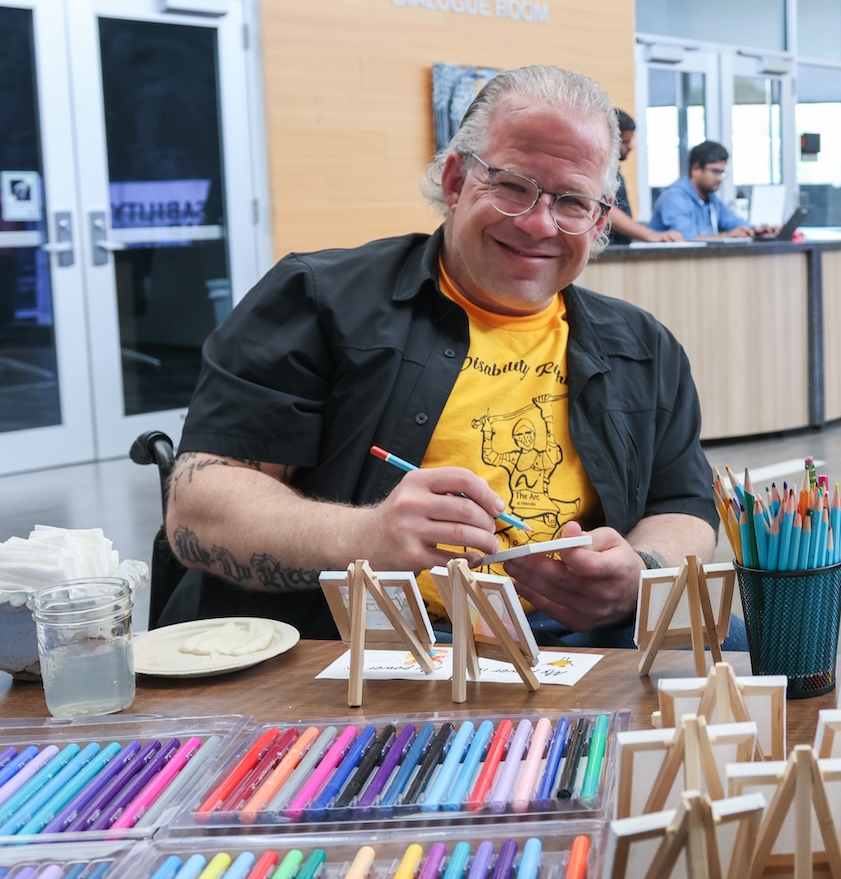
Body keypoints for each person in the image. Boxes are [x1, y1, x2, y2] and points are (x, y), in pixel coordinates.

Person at [163, 65, 720, 647]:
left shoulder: (643, 347)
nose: (538, 224)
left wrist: (641, 572)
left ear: (601, 220)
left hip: (575, 643)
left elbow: (683, 505)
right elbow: (199, 509)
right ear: (455, 181)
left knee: (745, 657)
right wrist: (367, 538)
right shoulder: (318, 301)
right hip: (368, 650)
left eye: (572, 202)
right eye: (512, 186)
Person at [649, 141, 777, 240]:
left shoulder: (711, 199)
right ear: (696, 169)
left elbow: (735, 223)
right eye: (715, 172)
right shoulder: (674, 198)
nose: (720, 179)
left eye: (722, 173)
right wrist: (726, 237)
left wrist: (756, 231)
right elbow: (686, 239)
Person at [605, 108, 683, 243]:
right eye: (625, 142)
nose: (630, 147)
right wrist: (650, 235)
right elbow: (607, 209)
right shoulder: (600, 174)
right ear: (609, 140)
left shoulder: (616, 174)